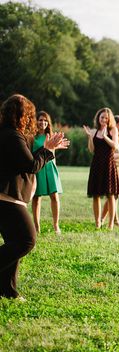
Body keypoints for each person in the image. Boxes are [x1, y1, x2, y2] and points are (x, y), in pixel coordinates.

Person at [0, 94, 69, 300]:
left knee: (14, 242)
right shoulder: (12, 136)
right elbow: (30, 165)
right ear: (23, 116)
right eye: (30, 116)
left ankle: (7, 290)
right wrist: (47, 151)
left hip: (8, 199)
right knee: (26, 240)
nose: (32, 120)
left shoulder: (8, 134)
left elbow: (25, 160)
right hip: (6, 200)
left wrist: (45, 149)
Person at [83, 108, 119, 230]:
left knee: (110, 194)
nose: (104, 120)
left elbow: (115, 146)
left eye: (106, 118)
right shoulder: (95, 131)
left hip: (109, 163)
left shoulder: (113, 130)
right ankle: (97, 223)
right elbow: (92, 150)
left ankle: (111, 224)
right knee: (96, 194)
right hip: (96, 164)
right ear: (98, 118)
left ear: (109, 119)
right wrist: (90, 137)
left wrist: (105, 136)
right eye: (102, 117)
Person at [31, 111, 63, 234]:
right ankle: (36, 227)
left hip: (50, 168)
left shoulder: (51, 135)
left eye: (45, 120)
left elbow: (53, 153)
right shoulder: (32, 137)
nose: (43, 122)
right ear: (36, 121)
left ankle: (56, 226)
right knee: (36, 197)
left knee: (54, 196)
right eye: (40, 120)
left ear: (48, 122)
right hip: (38, 168)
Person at [99, 114, 119, 227]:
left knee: (116, 194)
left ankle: (112, 219)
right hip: (113, 166)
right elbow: (113, 156)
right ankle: (106, 219)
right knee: (113, 194)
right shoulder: (112, 136)